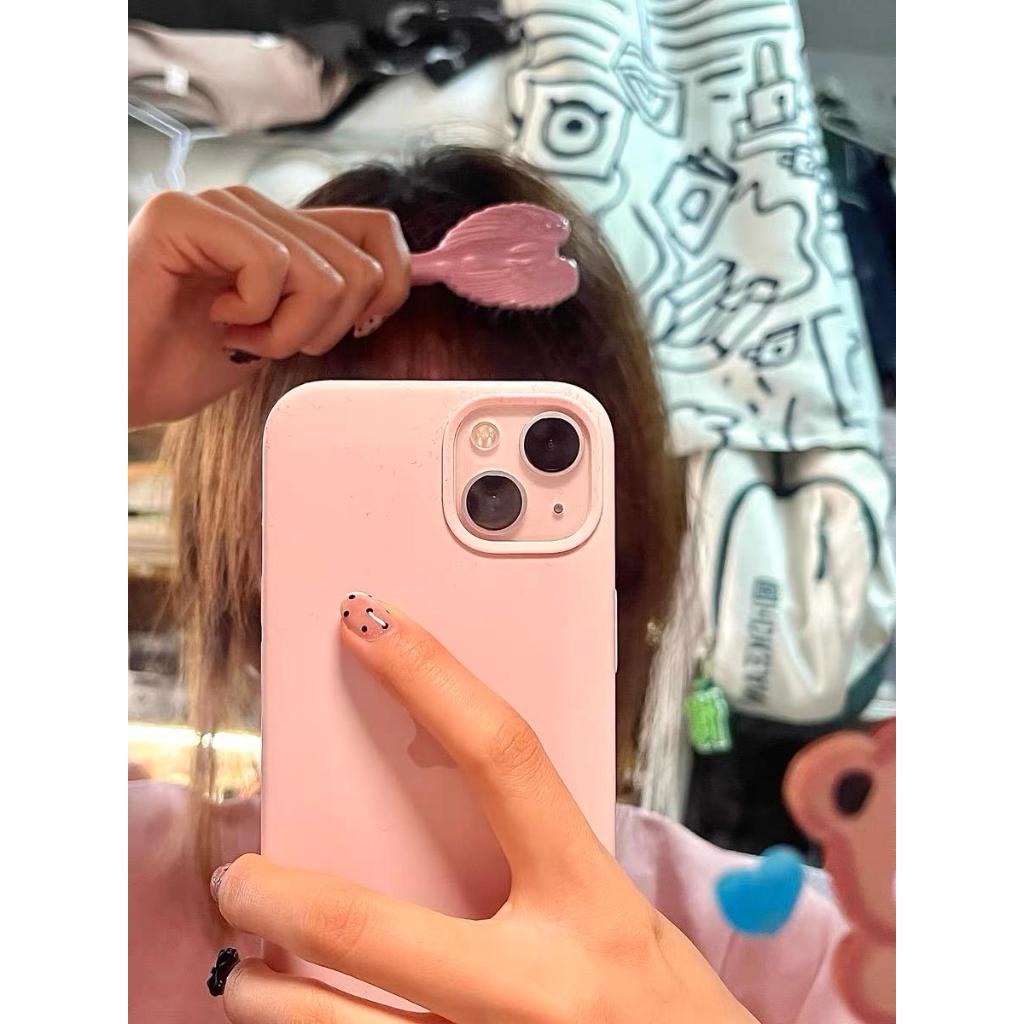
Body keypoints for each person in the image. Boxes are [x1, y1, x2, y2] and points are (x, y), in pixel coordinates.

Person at [128, 146, 856, 1023]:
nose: (426, 614)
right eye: (364, 504)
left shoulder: (807, 954)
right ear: (245, 556)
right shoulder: (115, 875)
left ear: (626, 560)